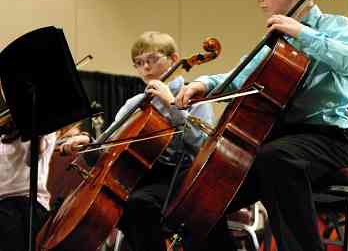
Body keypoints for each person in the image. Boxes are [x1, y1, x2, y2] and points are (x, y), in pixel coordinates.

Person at [175, 0, 348, 251]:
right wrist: (203, 85)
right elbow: (242, 75)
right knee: (200, 198)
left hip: (328, 140)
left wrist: (303, 34)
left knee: (276, 158)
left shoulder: (335, 27)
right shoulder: (276, 38)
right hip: (279, 143)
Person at [64, 31, 213, 251]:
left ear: (173, 59)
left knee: (138, 203)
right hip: (142, 178)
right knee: (118, 205)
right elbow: (109, 146)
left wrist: (171, 103)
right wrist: (87, 142)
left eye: (151, 60)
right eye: (138, 63)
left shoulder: (193, 95)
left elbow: (203, 145)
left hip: (182, 178)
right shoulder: (134, 104)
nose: (145, 68)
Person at [0, 123, 89, 251]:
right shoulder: (5, 129)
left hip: (26, 208)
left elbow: (31, 160)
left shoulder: (42, 127)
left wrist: (82, 137)